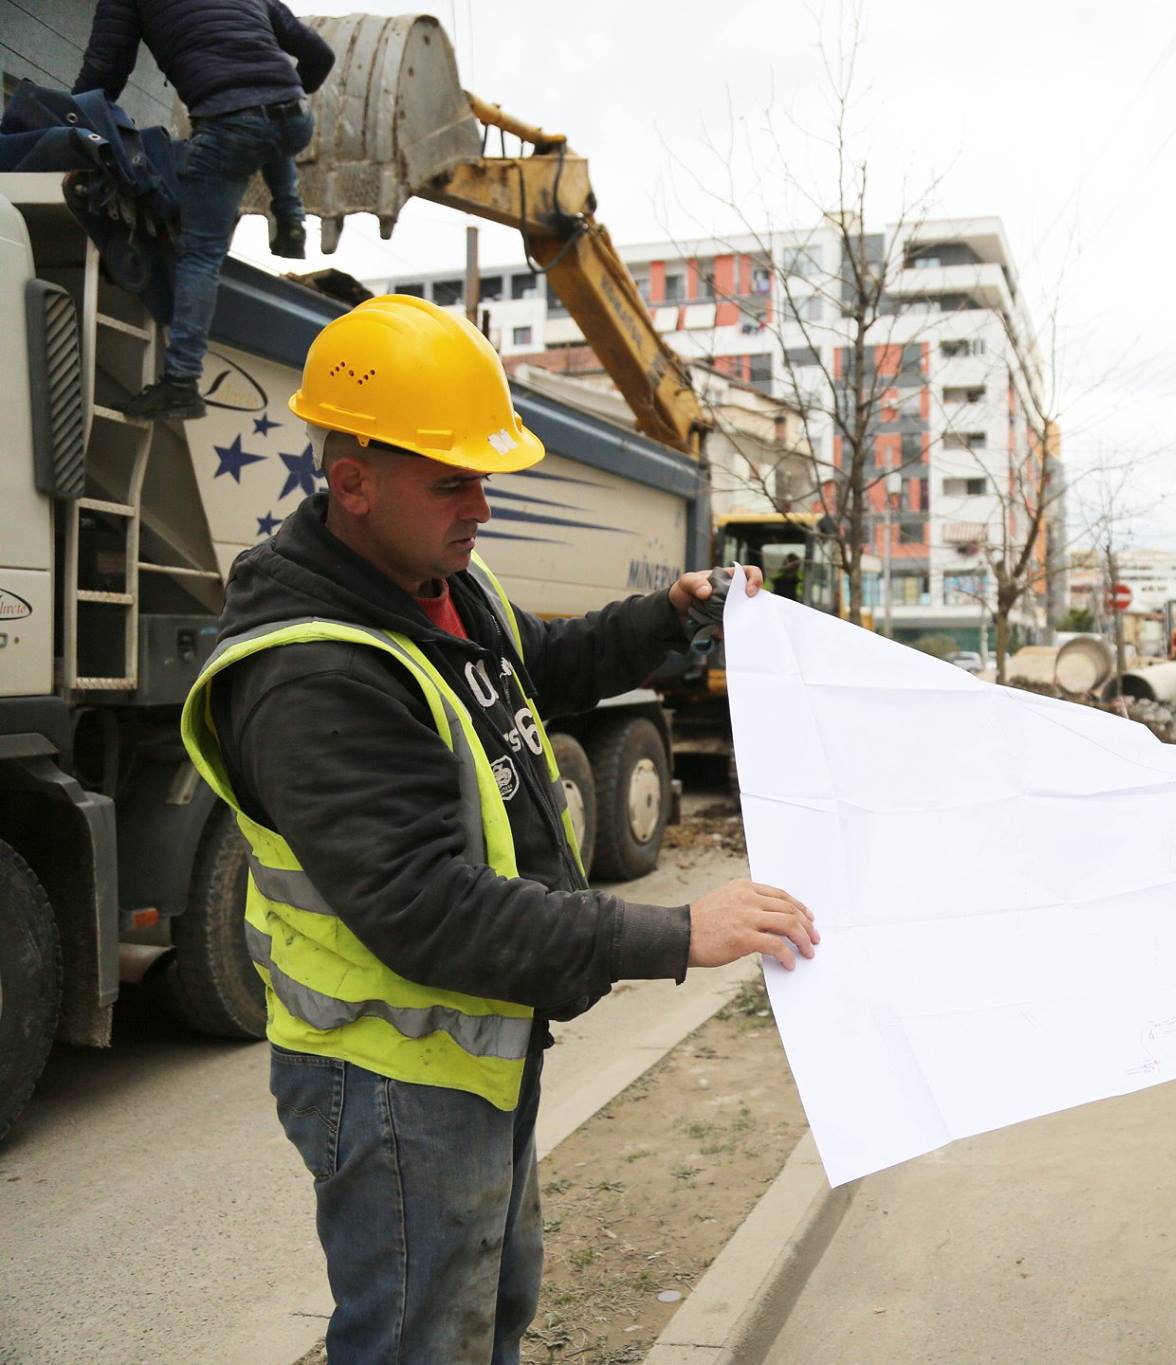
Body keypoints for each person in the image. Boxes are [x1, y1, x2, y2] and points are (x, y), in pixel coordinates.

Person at [180, 295, 820, 1364]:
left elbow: (543, 667)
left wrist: (672, 612)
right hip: (390, 1081)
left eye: (485, 478)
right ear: (351, 482)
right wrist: (671, 935)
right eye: (451, 482)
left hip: (465, 1054)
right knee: (420, 1340)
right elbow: (427, 912)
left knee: (488, 1312)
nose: (481, 505)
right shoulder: (315, 675)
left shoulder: (437, 585)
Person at [74, 0, 334, 422]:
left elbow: (104, 75)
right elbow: (320, 55)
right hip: (295, 118)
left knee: (200, 253)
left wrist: (69, 121)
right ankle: (290, 219)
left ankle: (181, 384)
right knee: (265, 127)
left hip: (232, 125)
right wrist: (285, 93)